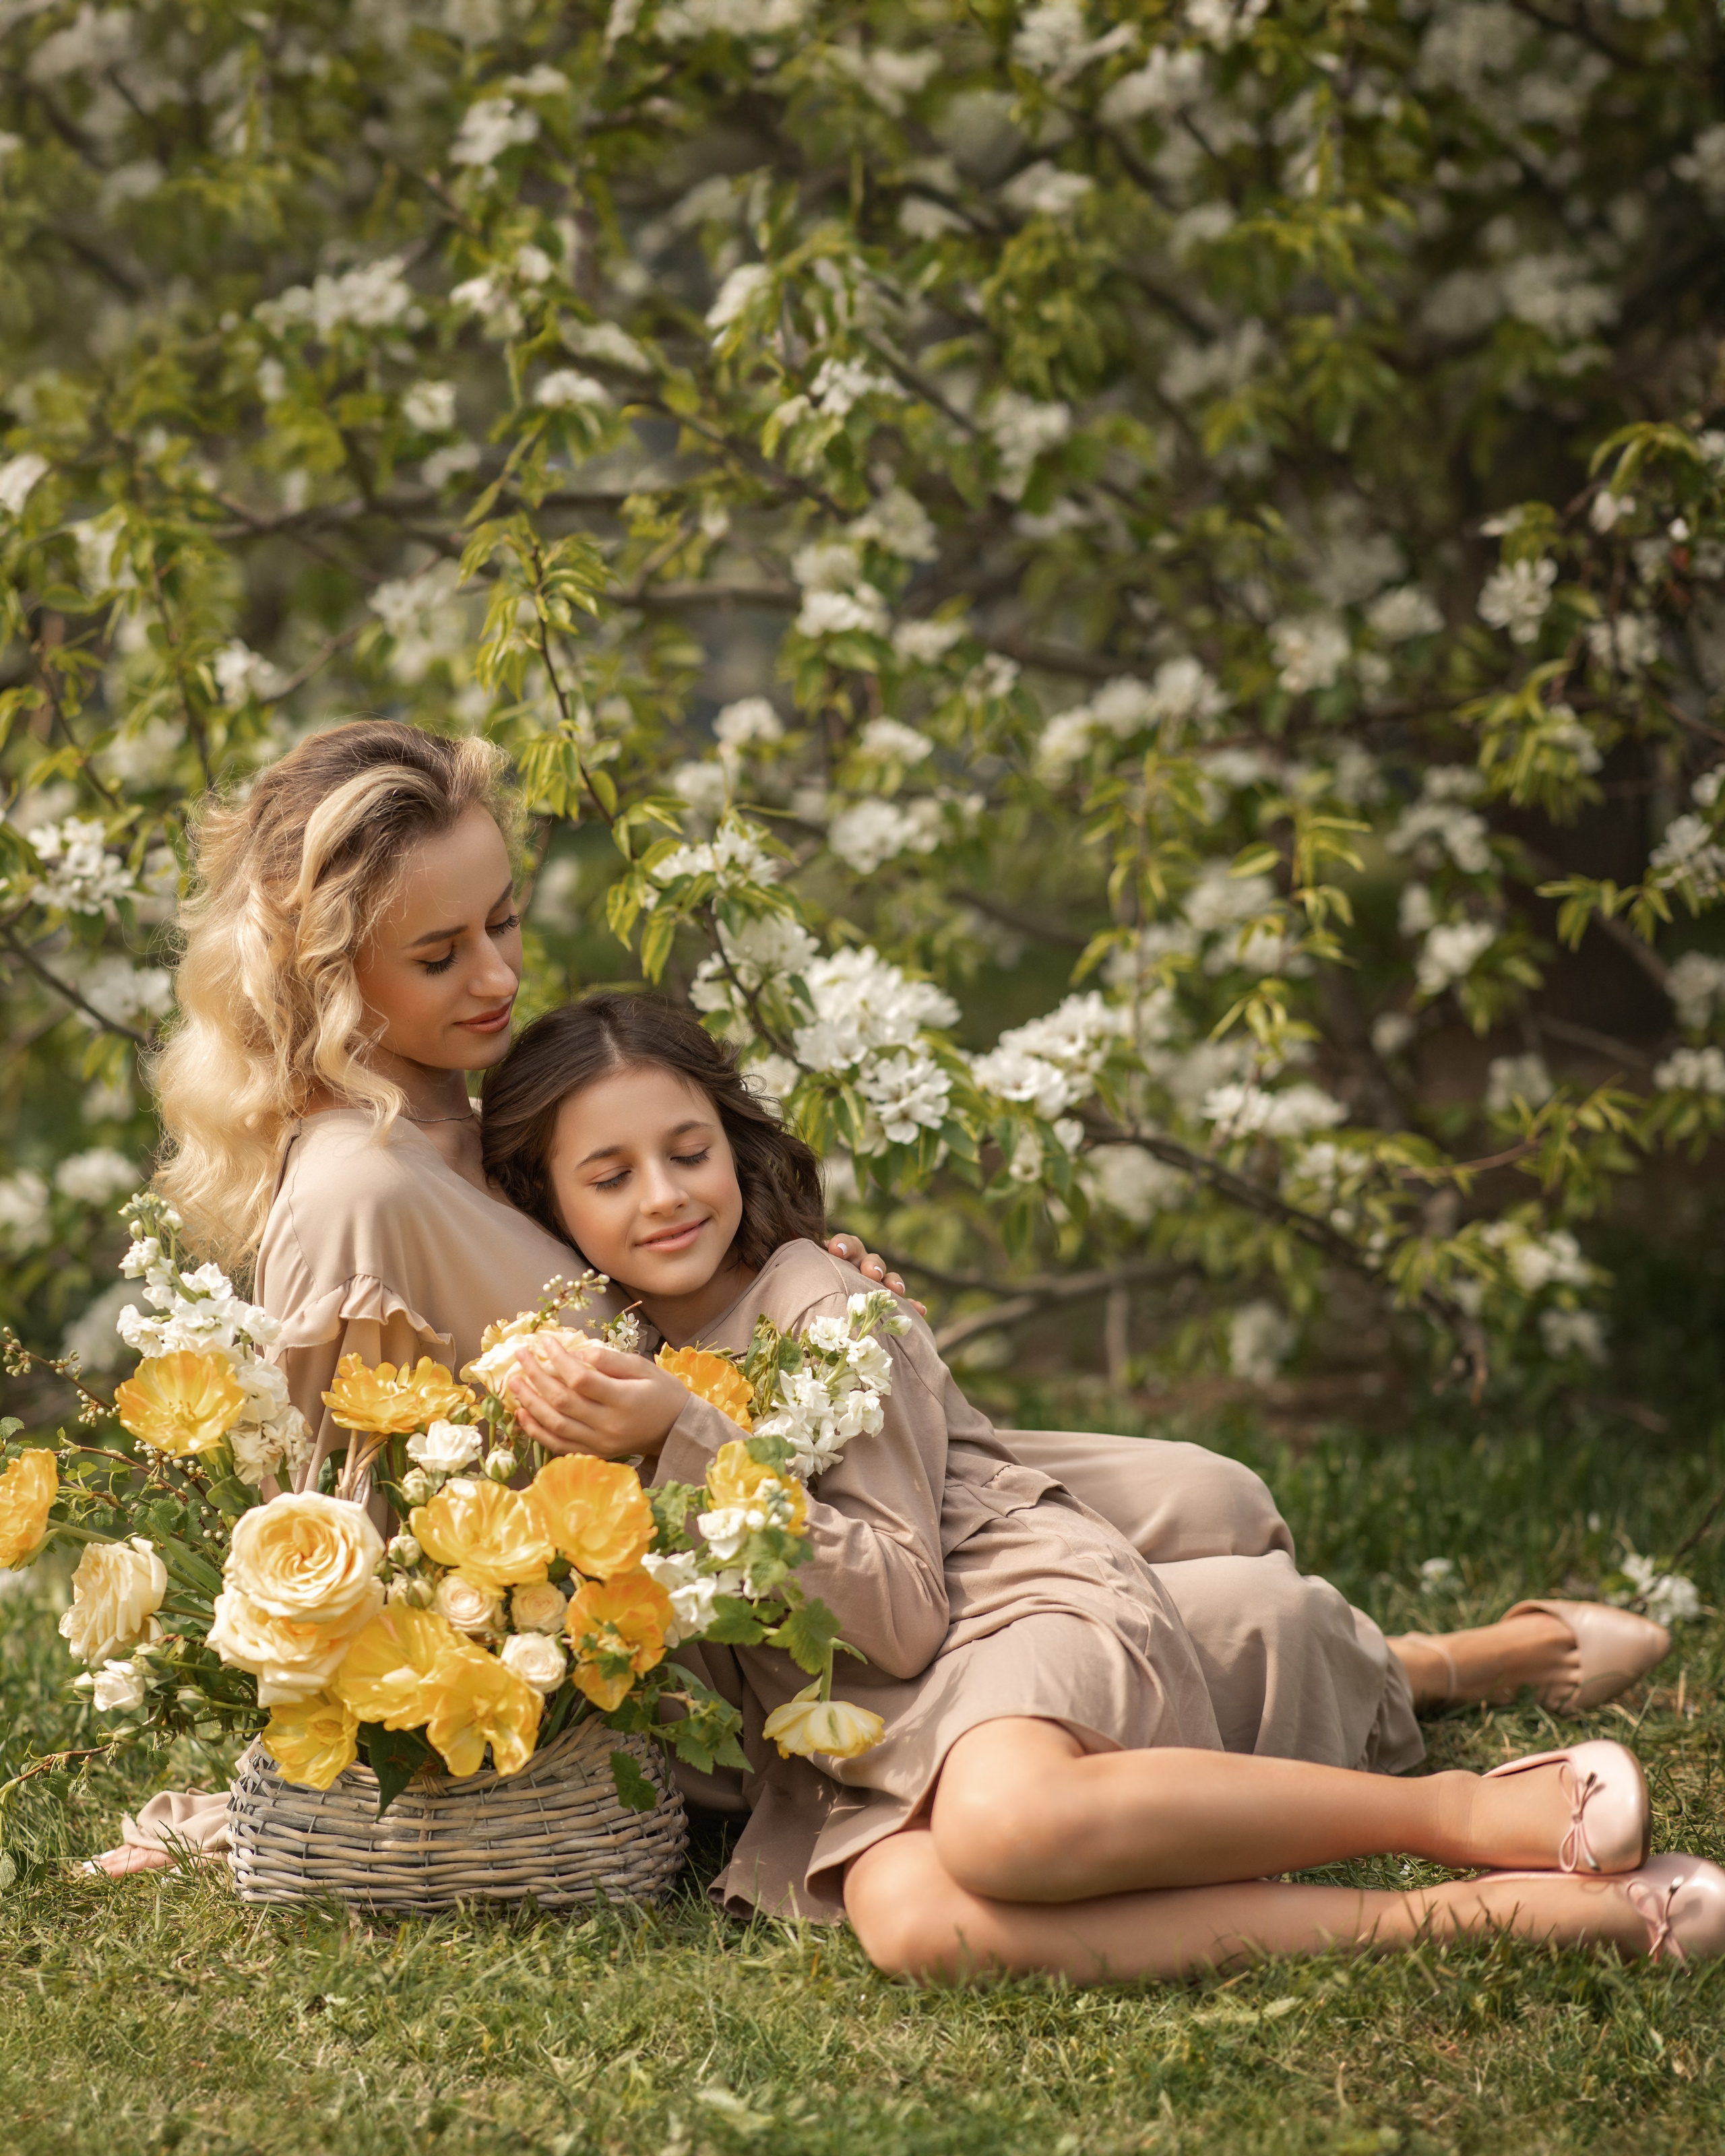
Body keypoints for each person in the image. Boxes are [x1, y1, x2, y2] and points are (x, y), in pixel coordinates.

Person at [90, 720, 1661, 1872]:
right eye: (441, 955)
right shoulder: (357, 1181)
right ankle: (1441, 1661)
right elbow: (343, 1501)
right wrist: (287, 1754)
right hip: (701, 1544)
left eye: (504, 920)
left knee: (1219, 1495)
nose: (496, 976)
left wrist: (799, 1276)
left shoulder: (453, 1078)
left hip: (768, 1416)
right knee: (1200, 1574)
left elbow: (625, 1209)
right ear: (321, 969)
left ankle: (1364, 1661)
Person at [469, 991, 1724, 1977]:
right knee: (914, 1924)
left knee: (1009, 1828)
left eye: (689, 1150)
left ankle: (1474, 1812)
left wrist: (686, 1435)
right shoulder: (587, 1358)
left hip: (987, 1624)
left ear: (732, 1142)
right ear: (546, 1204)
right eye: (612, 1175)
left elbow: (903, 1610)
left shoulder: (821, 1304)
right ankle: (1503, 1915)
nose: (669, 1194)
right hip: (847, 1736)